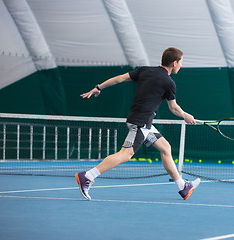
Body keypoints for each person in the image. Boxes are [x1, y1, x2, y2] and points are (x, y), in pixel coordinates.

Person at [75, 47, 200, 200]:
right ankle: (88, 176)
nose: (181, 65)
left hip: (142, 121)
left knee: (166, 148)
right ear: (174, 63)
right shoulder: (169, 82)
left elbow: (120, 78)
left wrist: (98, 87)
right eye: (181, 62)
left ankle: (182, 186)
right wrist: (185, 115)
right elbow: (173, 108)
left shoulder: (145, 70)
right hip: (141, 123)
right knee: (126, 154)